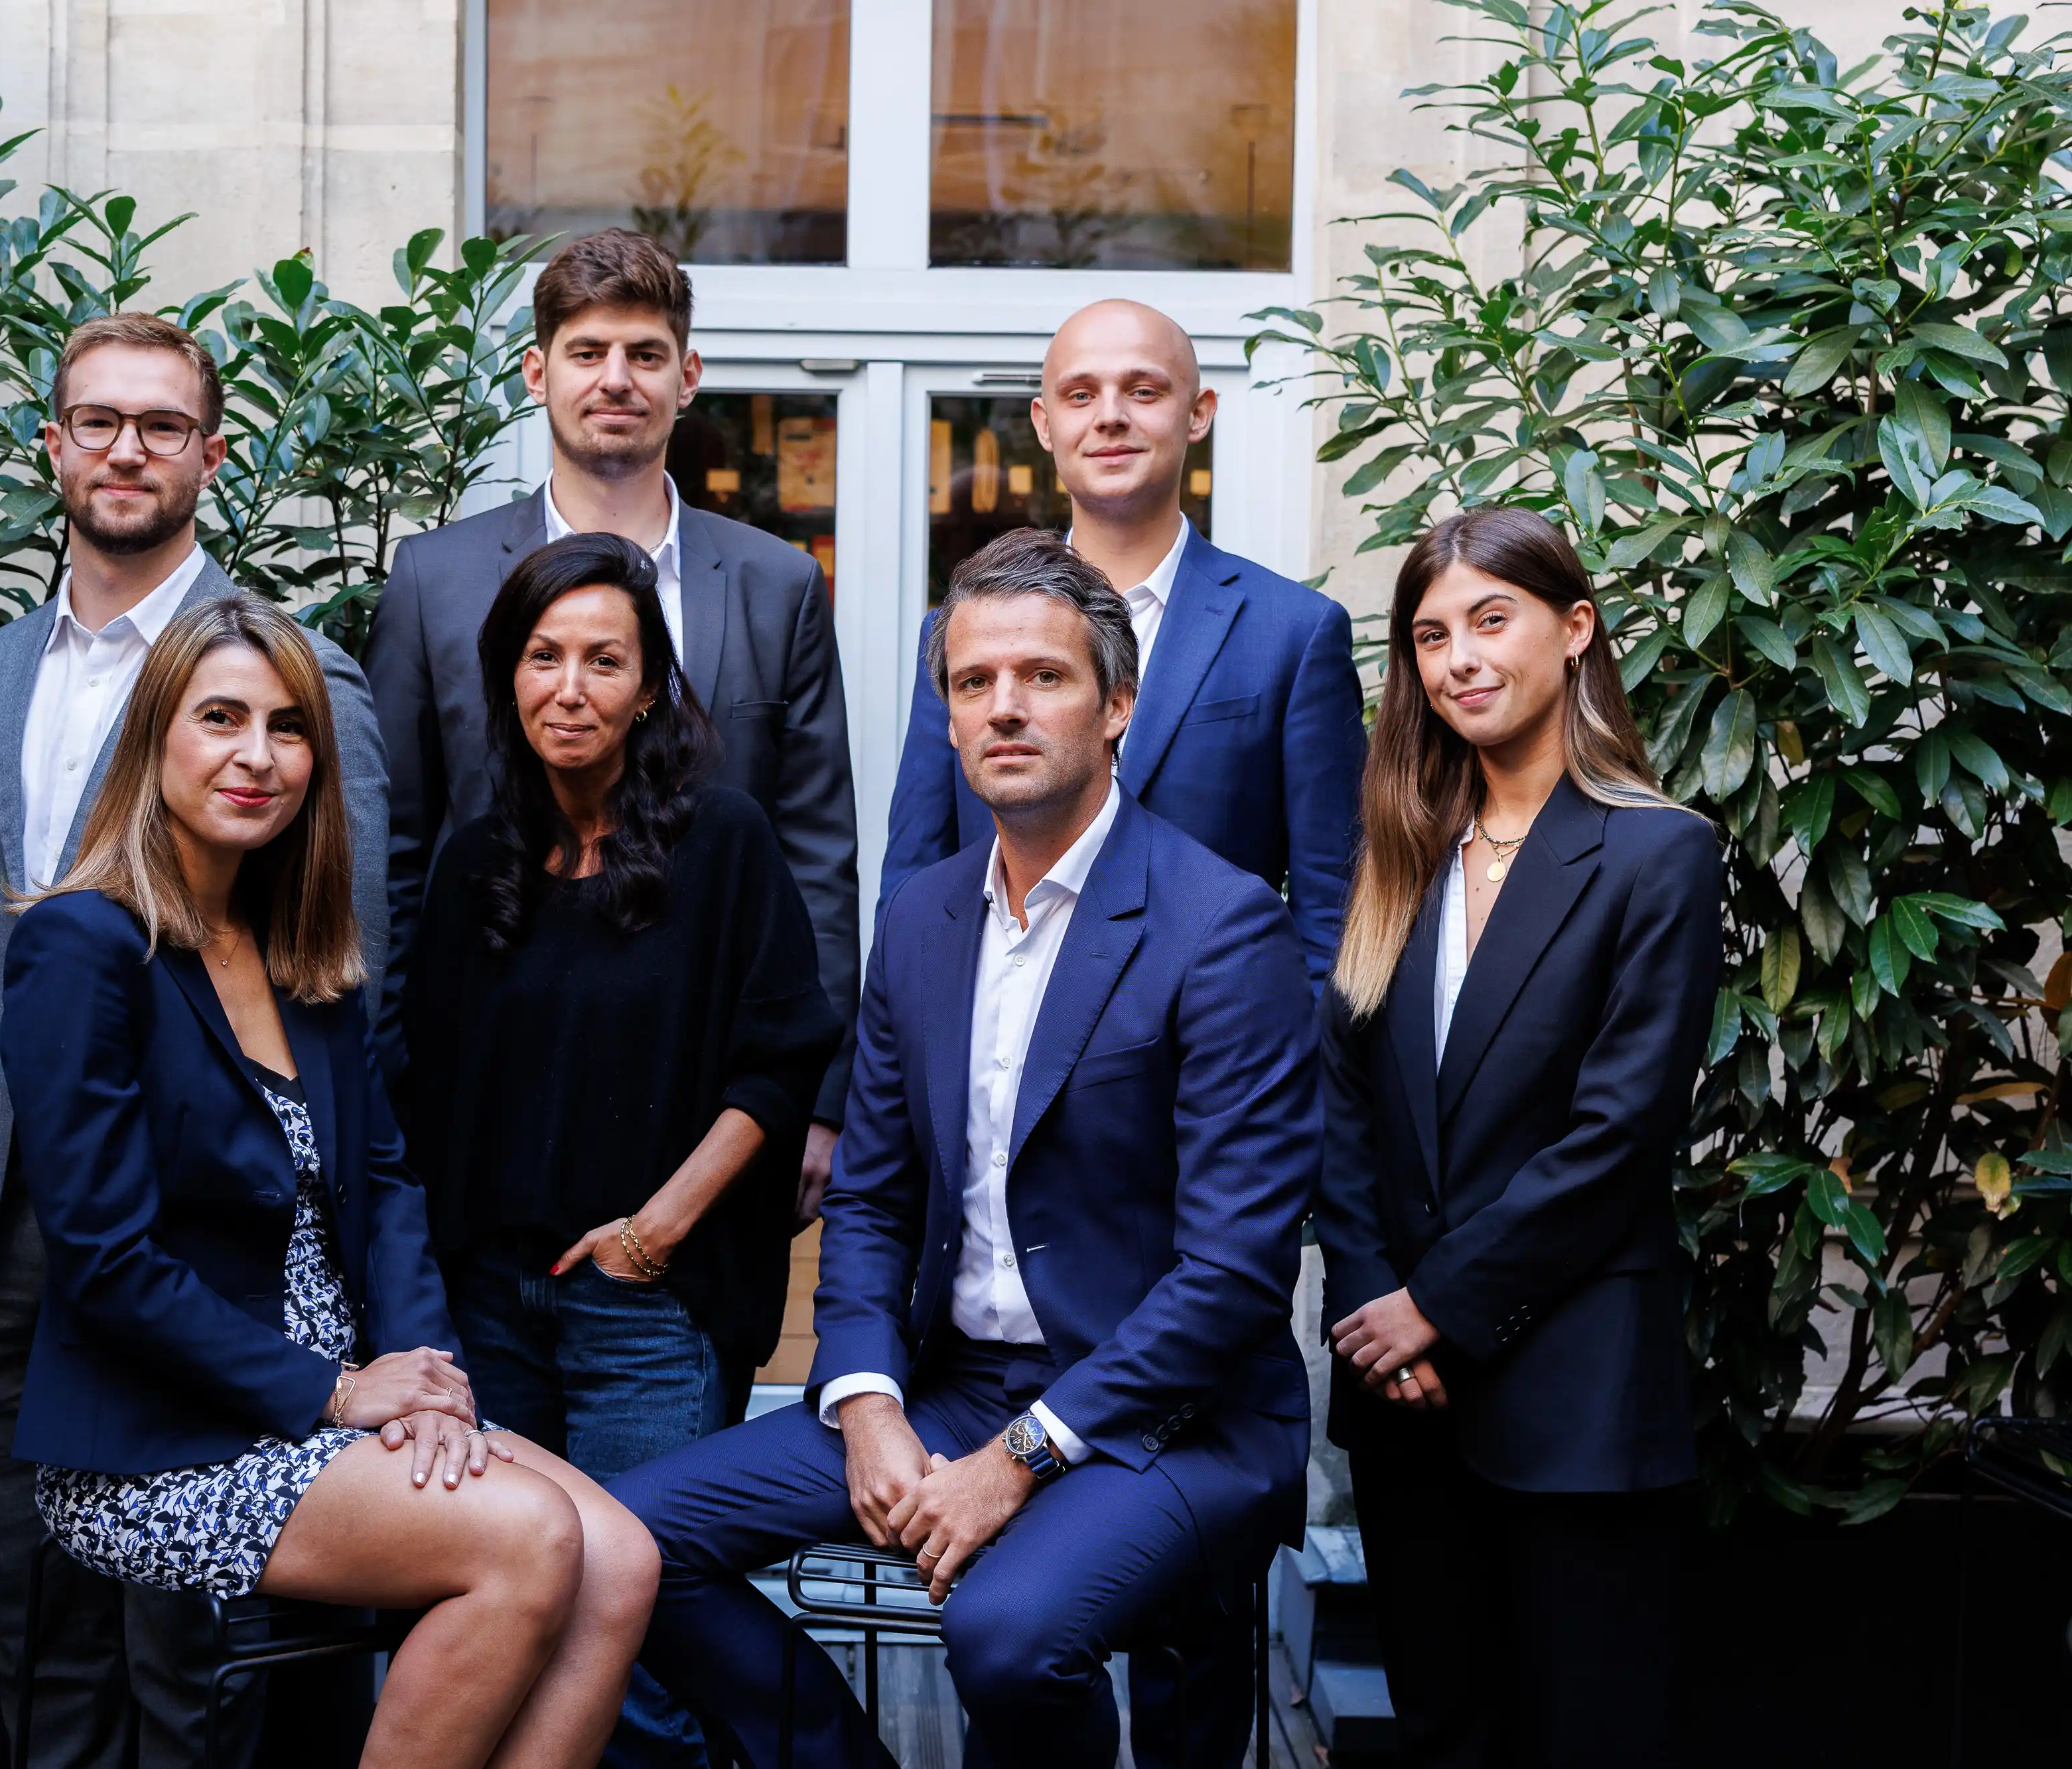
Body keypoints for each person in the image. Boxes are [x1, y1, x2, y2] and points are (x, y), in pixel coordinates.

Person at [611, 529, 1320, 1769]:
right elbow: (874, 1202)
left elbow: (1234, 1275)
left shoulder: (1221, 928)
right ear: (945, 717)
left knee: (1002, 1630)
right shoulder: (926, 915)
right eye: (974, 680)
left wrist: (1023, 1454)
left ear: (1118, 708)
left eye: (1043, 676)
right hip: (947, 1386)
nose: (1005, 706)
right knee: (623, 1539)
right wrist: (870, 1399)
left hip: (1171, 1414)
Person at [0, 312, 391, 1768]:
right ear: (53, 450)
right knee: (29, 1617)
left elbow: (343, 979)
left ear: (213, 451)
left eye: (160, 424)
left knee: (187, 1636)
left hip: (190, 1238)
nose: (127, 449)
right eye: (99, 422)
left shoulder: (293, 679)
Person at [1, 590, 657, 1769]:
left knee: (623, 1560)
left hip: (350, 1403)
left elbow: (390, 1187)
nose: (259, 756)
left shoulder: (308, 958)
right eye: (222, 718)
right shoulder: (81, 948)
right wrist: (340, 1389)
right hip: (166, 1437)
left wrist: (431, 1382)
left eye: (288, 726)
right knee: (528, 1540)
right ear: (157, 741)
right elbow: (107, 1265)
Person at [396, 530, 841, 1763]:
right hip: (493, 1306)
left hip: (648, 1305)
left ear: (650, 686)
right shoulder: (474, 858)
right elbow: (426, 1087)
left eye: (605, 659)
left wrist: (656, 1232)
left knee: (637, 1638)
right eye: (544, 656)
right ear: (509, 675)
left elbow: (781, 1055)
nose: (571, 686)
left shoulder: (725, 840)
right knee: (504, 1611)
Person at [1312, 506, 1722, 1768]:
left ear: (1575, 629)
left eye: (1492, 621)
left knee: (1581, 1736)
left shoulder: (1659, 852)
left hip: (1576, 1393)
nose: (1460, 660)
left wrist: (1435, 1303)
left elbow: (1619, 1134)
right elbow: (1344, 1107)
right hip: (1405, 1397)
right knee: (1441, 1729)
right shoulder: (1401, 853)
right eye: (1431, 635)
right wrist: (1378, 1298)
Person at [366, 227, 858, 1224]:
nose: (616, 379)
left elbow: (819, 857)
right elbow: (391, 853)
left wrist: (821, 1094)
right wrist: (388, 1075)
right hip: (487, 1072)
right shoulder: (437, 580)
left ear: (689, 377)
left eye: (646, 353)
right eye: (588, 353)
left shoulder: (777, 585)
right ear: (538, 373)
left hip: (709, 1090)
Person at [879, 298, 1365, 985]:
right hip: (995, 1047)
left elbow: (1336, 914)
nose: (1110, 415)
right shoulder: (963, 633)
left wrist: (1295, 1083)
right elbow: (915, 881)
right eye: (1081, 395)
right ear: (1044, 425)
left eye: (1143, 390)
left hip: (1214, 1062)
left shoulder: (1292, 633)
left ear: (1198, 412)